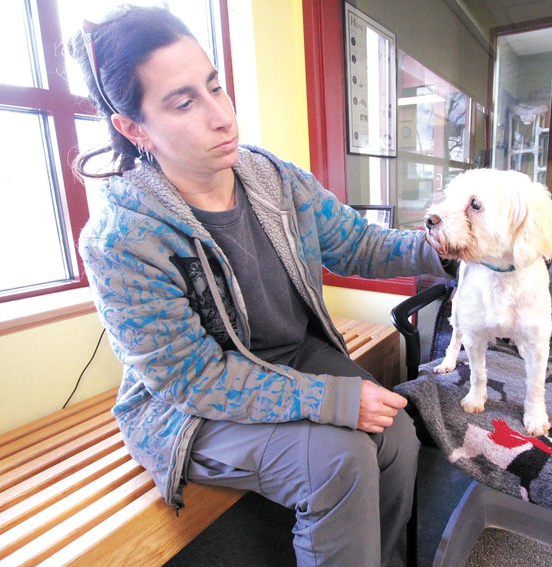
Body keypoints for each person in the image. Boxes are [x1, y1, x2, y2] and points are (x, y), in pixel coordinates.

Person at [68, 6, 452, 566]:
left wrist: (452, 247)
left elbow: (358, 244)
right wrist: (332, 398)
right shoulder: (121, 237)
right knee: (337, 459)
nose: (222, 115)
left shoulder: (274, 179)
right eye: (184, 102)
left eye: (215, 86)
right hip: (190, 405)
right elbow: (190, 377)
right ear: (132, 128)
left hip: (292, 356)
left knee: (395, 432)